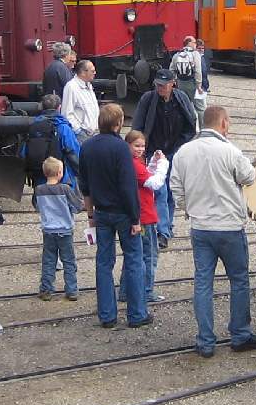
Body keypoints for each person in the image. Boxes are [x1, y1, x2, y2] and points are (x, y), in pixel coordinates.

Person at [170, 105, 256, 358]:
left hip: (200, 226)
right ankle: (240, 333)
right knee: (239, 280)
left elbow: (175, 187)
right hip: (230, 226)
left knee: (203, 283)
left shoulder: (183, 152)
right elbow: (250, 176)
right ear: (223, 123)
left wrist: (187, 207)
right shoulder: (230, 151)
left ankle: (205, 340)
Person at [78, 103, 146, 329]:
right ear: (118, 124)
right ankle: (136, 314)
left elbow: (84, 186)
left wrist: (90, 215)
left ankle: (107, 315)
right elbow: (128, 187)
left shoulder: (87, 147)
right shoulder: (121, 149)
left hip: (101, 213)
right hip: (124, 214)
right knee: (134, 260)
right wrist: (136, 218)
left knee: (104, 263)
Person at [130, 69, 197, 249]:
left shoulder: (181, 98)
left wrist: (180, 147)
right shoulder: (148, 99)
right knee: (160, 191)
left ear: (172, 83)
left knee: (170, 190)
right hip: (153, 152)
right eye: (158, 84)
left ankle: (166, 225)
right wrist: (141, 149)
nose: (160, 87)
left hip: (173, 151)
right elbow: (138, 124)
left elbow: (191, 124)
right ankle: (163, 232)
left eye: (163, 84)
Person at [126, 131, 170, 304]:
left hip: (141, 214)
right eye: (136, 146)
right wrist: (164, 164)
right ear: (128, 145)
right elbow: (154, 182)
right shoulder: (135, 164)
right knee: (149, 255)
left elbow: (146, 175)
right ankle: (147, 290)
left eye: (142, 146)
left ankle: (126, 291)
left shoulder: (134, 162)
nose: (140, 149)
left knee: (134, 255)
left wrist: (153, 161)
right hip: (145, 215)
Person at [34, 157, 83, 301]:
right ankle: (72, 290)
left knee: (49, 260)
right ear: (60, 173)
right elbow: (78, 206)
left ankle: (46, 289)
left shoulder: (39, 190)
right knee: (68, 261)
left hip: (48, 230)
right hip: (65, 230)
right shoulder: (65, 188)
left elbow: (37, 206)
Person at [21, 93, 82, 187]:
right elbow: (73, 152)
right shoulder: (63, 127)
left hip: (40, 176)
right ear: (59, 107)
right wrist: (80, 171)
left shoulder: (34, 126)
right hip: (61, 178)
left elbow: (24, 152)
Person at [61, 59, 100, 140]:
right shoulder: (71, 87)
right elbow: (66, 113)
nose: (95, 73)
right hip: (82, 135)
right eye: (92, 71)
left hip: (93, 133)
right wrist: (79, 131)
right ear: (83, 72)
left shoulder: (88, 85)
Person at [171, 36, 201, 102]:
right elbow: (198, 71)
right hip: (192, 83)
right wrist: (199, 85)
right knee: (199, 106)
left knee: (184, 103)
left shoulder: (177, 55)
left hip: (180, 83)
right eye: (195, 42)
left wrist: (174, 81)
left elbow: (172, 70)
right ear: (189, 43)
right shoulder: (195, 54)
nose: (196, 44)